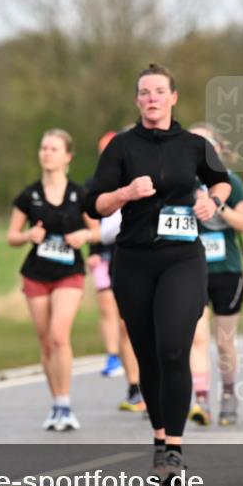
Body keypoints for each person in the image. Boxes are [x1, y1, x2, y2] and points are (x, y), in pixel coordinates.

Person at [85, 63, 230, 480]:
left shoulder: (193, 145)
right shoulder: (121, 147)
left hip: (182, 257)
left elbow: (220, 181)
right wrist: (125, 193)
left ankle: (175, 449)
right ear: (137, 100)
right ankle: (159, 436)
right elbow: (95, 204)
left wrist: (212, 203)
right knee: (147, 354)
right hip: (133, 260)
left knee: (172, 348)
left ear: (173, 97)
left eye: (159, 91)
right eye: (145, 92)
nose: (152, 98)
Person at [9, 129, 98, 431]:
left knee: (60, 335)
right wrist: (27, 236)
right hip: (36, 273)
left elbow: (99, 231)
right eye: (44, 148)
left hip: (69, 272)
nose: (47, 153)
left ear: (67, 156)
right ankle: (56, 404)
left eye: (54, 149)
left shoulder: (80, 194)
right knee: (47, 342)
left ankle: (66, 403)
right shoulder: (29, 194)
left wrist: (84, 235)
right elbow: (11, 237)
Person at [187, 123, 243, 426]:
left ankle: (228, 394)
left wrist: (216, 204)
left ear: (217, 150)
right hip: (191, 268)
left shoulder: (231, 182)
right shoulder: (180, 182)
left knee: (224, 341)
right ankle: (201, 398)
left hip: (227, 269)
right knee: (197, 336)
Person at [86, 130, 142, 411]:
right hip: (107, 254)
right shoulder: (95, 183)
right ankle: (133, 384)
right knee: (116, 316)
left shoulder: (138, 178)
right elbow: (90, 222)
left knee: (136, 322)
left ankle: (150, 382)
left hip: (135, 252)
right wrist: (93, 252)